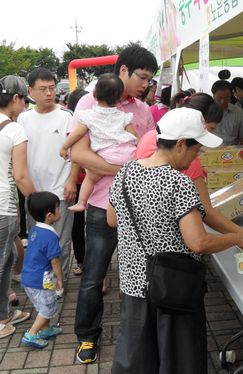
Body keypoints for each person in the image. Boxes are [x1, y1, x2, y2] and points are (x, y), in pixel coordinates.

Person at [109, 107, 243, 373]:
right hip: (172, 287)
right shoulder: (178, 182)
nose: (195, 157)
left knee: (139, 359)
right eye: (196, 150)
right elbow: (198, 242)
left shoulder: (126, 172)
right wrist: (238, 237)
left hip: (135, 284)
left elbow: (112, 219)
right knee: (178, 360)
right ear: (180, 144)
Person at [68, 45, 157, 364]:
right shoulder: (89, 103)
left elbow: (150, 155)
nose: (146, 84)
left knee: (144, 274)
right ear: (123, 71)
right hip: (98, 204)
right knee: (93, 274)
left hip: (137, 206)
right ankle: (87, 336)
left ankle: (144, 336)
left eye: (149, 79)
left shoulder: (142, 110)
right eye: (142, 77)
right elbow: (77, 153)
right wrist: (124, 170)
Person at [135, 93, 243, 252]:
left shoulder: (134, 161)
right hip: (166, 260)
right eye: (210, 128)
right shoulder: (182, 176)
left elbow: (113, 220)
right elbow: (200, 237)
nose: (197, 154)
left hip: (137, 256)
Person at [17, 68, 79, 299]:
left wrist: (72, 181)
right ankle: (43, 280)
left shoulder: (67, 116)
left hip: (61, 191)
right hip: (33, 192)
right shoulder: (23, 118)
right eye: (43, 89)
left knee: (60, 242)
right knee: (37, 241)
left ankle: (57, 285)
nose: (49, 93)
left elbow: (77, 153)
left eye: (52, 88)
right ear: (31, 91)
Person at [60, 74, 139, 212]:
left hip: (107, 155)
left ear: (95, 94)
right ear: (120, 97)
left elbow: (77, 133)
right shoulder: (123, 116)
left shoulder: (88, 116)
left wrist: (64, 147)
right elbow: (135, 136)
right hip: (127, 153)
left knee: (90, 177)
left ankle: (81, 202)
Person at [0, 74, 36, 339]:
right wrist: (39, 203)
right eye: (25, 101)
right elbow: (21, 176)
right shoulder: (14, 129)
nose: (25, 107)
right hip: (3, 207)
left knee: (8, 259)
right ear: (15, 98)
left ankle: (4, 312)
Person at [20, 192, 63, 348]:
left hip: (28, 279)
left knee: (43, 305)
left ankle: (46, 330)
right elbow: (55, 260)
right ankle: (31, 334)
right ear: (50, 215)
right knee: (47, 309)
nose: (61, 211)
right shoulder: (50, 236)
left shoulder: (34, 230)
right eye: (58, 208)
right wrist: (60, 278)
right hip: (42, 281)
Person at [67, 88, 89, 276]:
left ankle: (87, 261)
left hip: (92, 180)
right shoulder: (73, 124)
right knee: (78, 224)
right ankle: (81, 259)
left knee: (91, 223)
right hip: (79, 182)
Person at [211, 80, 243, 146]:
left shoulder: (237, 111)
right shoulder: (206, 111)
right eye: (219, 98)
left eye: (226, 98)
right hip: (210, 152)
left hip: (232, 152)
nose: (223, 101)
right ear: (214, 96)